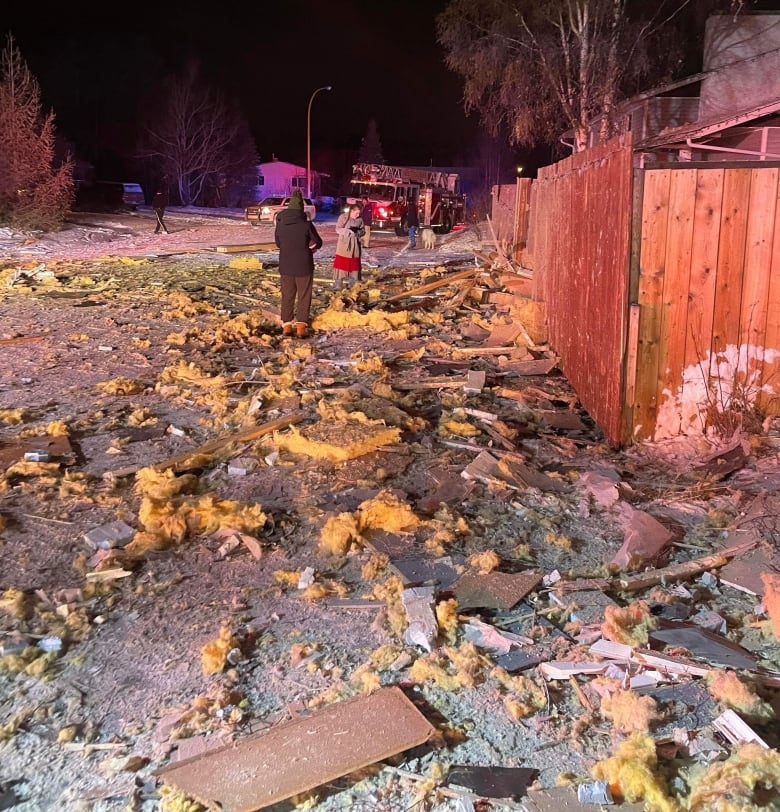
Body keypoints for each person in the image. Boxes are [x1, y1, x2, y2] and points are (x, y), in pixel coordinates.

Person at [274, 189, 323, 338]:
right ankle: (301, 326)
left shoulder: (280, 224)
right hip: (304, 265)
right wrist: (310, 246)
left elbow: (278, 244)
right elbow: (318, 243)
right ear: (301, 209)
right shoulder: (306, 225)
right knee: (304, 295)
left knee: (287, 295)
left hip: (286, 265)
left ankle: (287, 326)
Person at [333, 203, 364, 290]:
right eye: (356, 213)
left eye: (359, 213)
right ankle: (338, 284)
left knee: (354, 264)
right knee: (341, 264)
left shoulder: (360, 220)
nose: (358, 215)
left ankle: (352, 284)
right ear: (351, 211)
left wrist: (359, 232)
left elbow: (363, 230)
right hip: (344, 245)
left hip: (355, 245)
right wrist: (348, 231)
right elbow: (338, 229)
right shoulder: (343, 217)